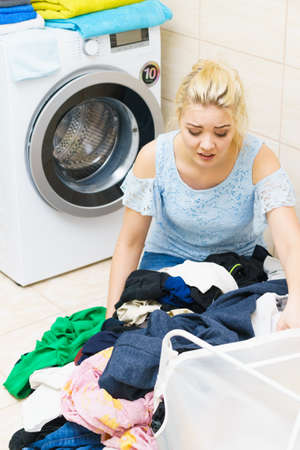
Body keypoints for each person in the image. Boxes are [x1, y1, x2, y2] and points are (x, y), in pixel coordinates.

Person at [105, 59, 300, 331]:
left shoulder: (258, 158)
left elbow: (290, 241)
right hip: (168, 268)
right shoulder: (154, 157)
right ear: (180, 117)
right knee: (156, 336)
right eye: (194, 131)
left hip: (236, 269)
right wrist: (111, 316)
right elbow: (129, 243)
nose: (207, 145)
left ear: (237, 122)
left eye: (222, 133)